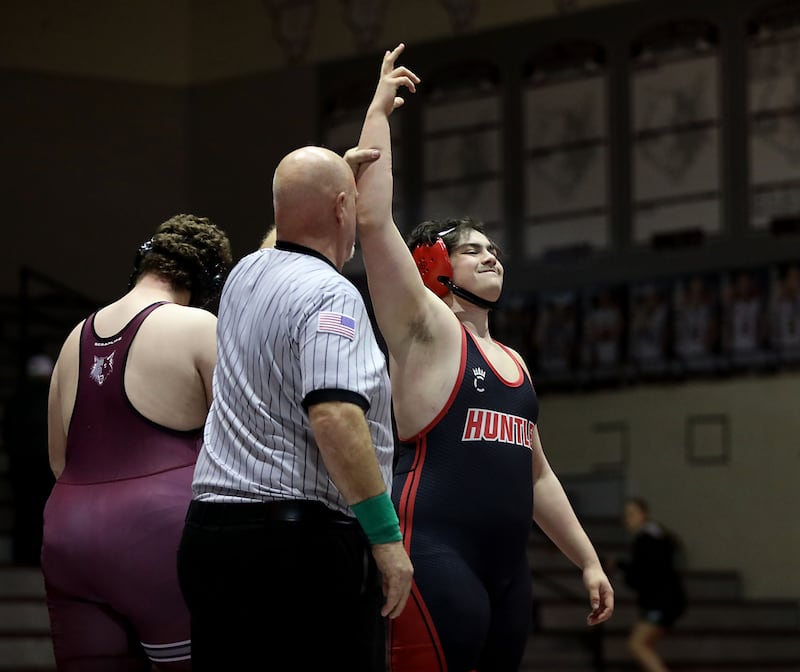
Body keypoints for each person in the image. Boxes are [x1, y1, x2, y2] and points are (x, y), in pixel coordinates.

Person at [353, 44, 614, 672]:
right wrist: (378, 114)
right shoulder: (425, 332)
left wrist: (587, 559)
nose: (492, 256)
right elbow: (371, 219)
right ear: (436, 268)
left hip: (507, 574)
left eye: (495, 248)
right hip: (434, 557)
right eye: (473, 251)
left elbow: (539, 476)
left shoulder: (514, 361)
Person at [177, 145, 414, 671]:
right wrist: (386, 538)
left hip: (210, 538)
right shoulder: (333, 296)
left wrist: (332, 191)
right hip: (294, 548)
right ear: (340, 209)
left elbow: (283, 244)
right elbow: (334, 417)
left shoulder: (242, 276)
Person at [42, 213, 232, 671]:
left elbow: (56, 459)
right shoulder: (198, 326)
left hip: (67, 538)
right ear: (207, 280)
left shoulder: (75, 337)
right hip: (156, 536)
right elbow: (236, 448)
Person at [615, 497, 686, 672]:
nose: (627, 520)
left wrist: (624, 573)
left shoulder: (648, 540)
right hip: (663, 600)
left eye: (631, 514)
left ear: (643, 515)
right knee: (643, 644)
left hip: (662, 601)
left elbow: (646, 573)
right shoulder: (654, 537)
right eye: (625, 515)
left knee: (637, 644)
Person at [3, 350, 55, 565]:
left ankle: (22, 555)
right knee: (43, 510)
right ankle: (40, 556)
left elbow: (9, 433)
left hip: (21, 463)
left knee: (24, 511)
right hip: (45, 463)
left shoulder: (16, 400)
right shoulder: (52, 399)